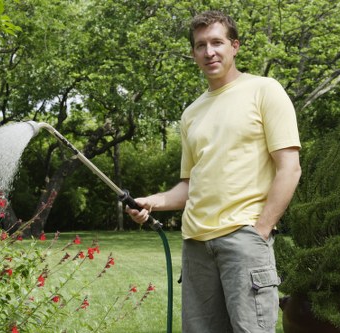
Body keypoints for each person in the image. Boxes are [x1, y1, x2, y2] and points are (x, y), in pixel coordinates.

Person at [126, 10, 302, 333]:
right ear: (193, 53)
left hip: (244, 240)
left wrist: (260, 231)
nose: (209, 52)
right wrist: (151, 202)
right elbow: (189, 186)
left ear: (234, 46)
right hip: (196, 246)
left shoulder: (265, 91)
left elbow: (289, 169)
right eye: (200, 45)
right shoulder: (191, 114)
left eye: (217, 42)